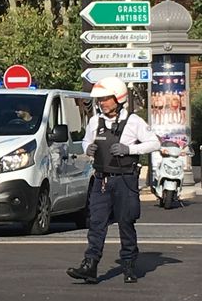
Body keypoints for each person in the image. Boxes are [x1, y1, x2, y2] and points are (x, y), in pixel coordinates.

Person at [66, 77, 159, 284]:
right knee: (96, 223)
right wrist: (87, 148)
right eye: (100, 100)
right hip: (101, 179)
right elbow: (86, 141)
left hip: (125, 180)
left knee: (126, 222)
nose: (102, 103)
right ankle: (89, 266)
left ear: (118, 98)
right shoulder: (94, 121)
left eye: (106, 99)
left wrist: (130, 149)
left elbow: (154, 143)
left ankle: (128, 265)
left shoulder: (133, 121)